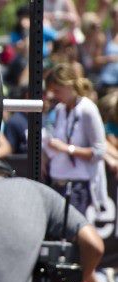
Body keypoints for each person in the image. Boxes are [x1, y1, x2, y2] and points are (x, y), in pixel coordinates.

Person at [43, 63, 107, 217]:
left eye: (57, 91)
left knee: (73, 236)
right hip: (57, 181)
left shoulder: (87, 109)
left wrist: (67, 148)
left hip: (77, 186)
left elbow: (99, 151)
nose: (54, 96)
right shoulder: (59, 109)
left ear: (69, 85)